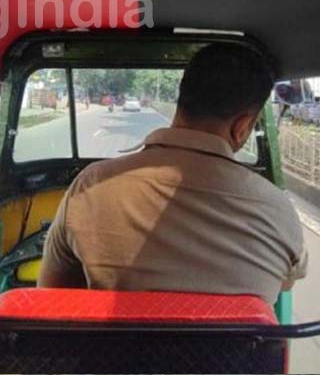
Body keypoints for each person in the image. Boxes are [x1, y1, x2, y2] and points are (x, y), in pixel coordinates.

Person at [39, 43, 308, 304]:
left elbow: (49, 297)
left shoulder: (91, 186)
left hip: (116, 351)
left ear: (182, 99)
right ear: (242, 127)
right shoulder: (279, 211)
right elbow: (285, 283)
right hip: (229, 352)